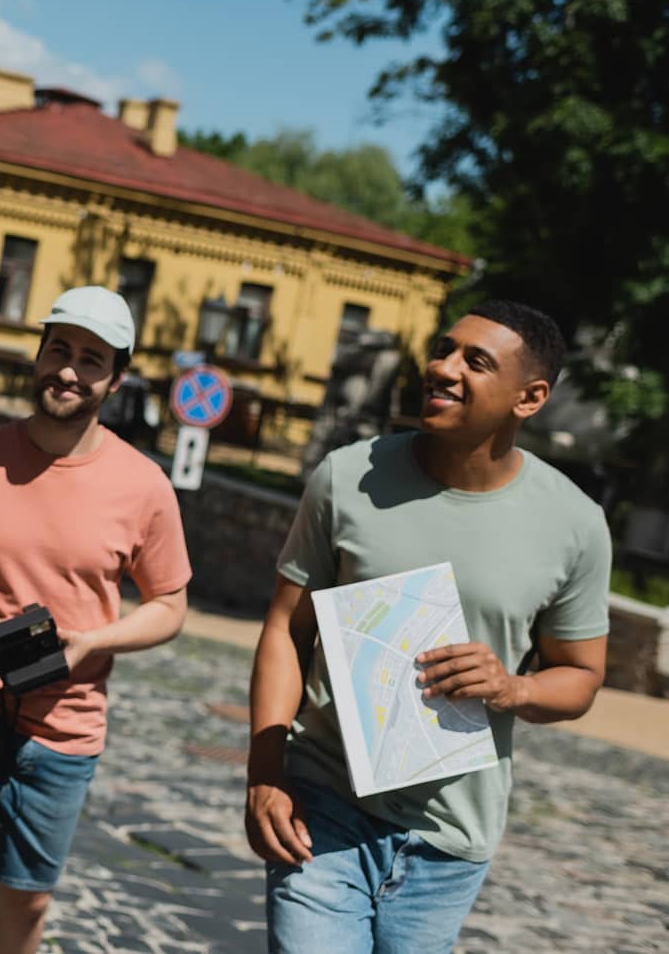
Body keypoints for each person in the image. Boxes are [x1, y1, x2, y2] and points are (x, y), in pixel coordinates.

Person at [246, 300, 611, 953]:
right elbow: (284, 628)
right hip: (324, 800)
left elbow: (581, 676)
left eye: (474, 361)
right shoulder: (346, 478)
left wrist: (512, 688)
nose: (441, 367)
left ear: (528, 397)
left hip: (451, 838)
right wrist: (265, 770)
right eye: (442, 349)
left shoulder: (575, 524)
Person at [0, 286, 193, 954]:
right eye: (58, 350)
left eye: (91, 359)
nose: (68, 371)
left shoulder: (144, 486)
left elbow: (169, 605)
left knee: (22, 908)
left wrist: (94, 643)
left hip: (64, 723)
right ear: (38, 353)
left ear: (116, 377)